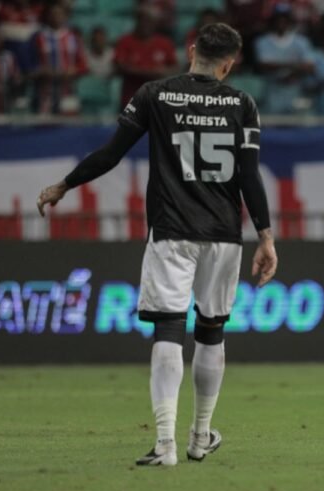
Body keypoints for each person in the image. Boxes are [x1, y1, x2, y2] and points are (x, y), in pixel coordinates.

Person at [36, 22, 277, 465]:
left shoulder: (155, 94)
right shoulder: (242, 103)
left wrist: (63, 186)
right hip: (224, 235)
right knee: (211, 331)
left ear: (191, 51)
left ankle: (165, 443)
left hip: (172, 230)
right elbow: (249, 176)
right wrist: (266, 236)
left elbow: (110, 155)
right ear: (229, 63)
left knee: (168, 327)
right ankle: (200, 435)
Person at [114, 6, 178, 108]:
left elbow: (175, 69)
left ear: (154, 23)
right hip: (131, 99)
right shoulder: (125, 41)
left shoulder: (165, 43)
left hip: (158, 100)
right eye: (141, 20)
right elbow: (120, 66)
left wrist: (163, 72)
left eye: (148, 20)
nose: (145, 24)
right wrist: (150, 73)